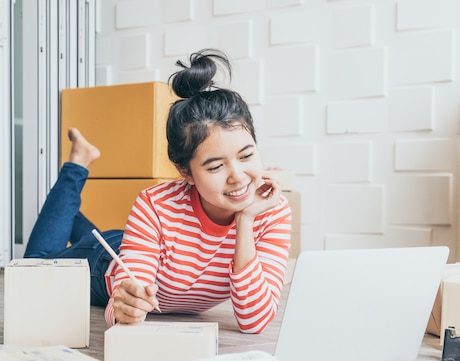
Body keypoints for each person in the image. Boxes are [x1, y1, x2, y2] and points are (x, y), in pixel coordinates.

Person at [24, 49, 292, 334]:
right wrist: (126, 307)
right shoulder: (155, 204)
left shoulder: (270, 209)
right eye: (215, 167)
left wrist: (246, 221)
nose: (238, 177)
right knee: (29, 273)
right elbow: (125, 299)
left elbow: (255, 320)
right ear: (185, 172)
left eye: (246, 155)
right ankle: (77, 164)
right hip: (107, 262)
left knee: (89, 235)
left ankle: (66, 209)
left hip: (143, 242)